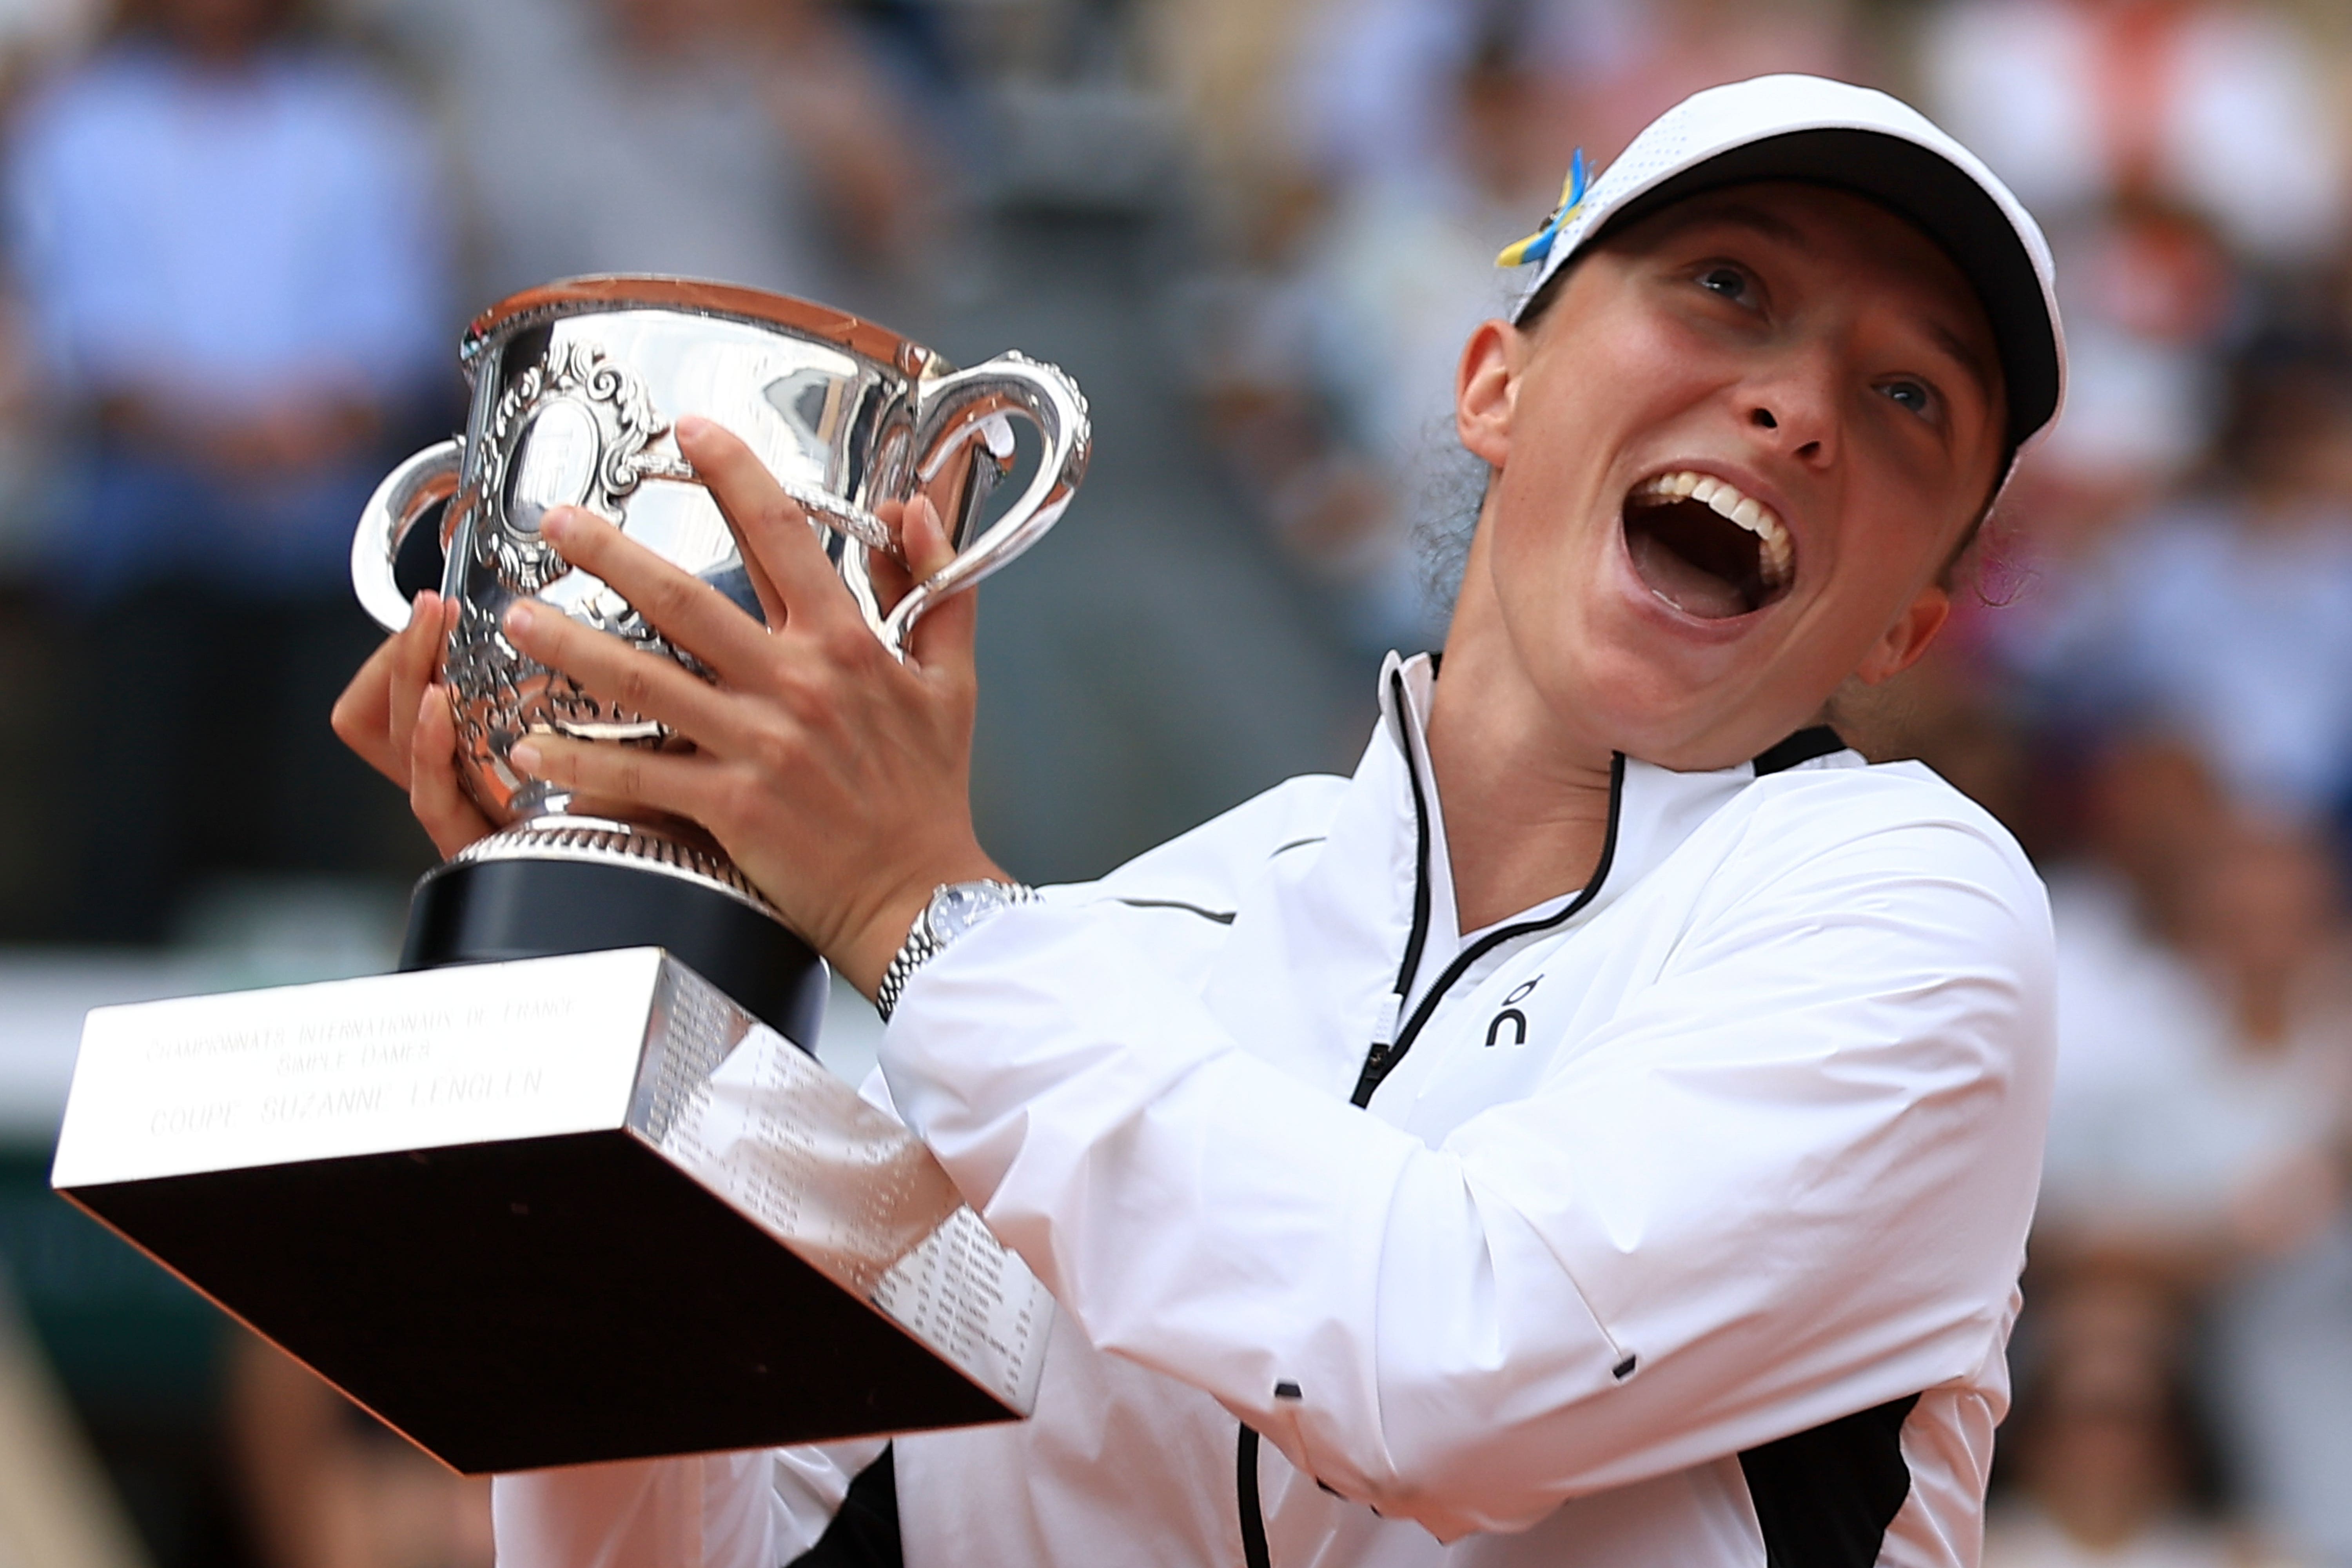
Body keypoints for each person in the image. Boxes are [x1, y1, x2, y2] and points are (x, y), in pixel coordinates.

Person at [336, 75, 2065, 1566]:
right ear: (1496, 387)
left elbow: (1454, 1367)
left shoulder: (1909, 911)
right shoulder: (1104, 953)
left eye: (1912, 395)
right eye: (1726, 286)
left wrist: (904, 903)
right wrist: (603, 958)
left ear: (1912, 625)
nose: (1803, 409)